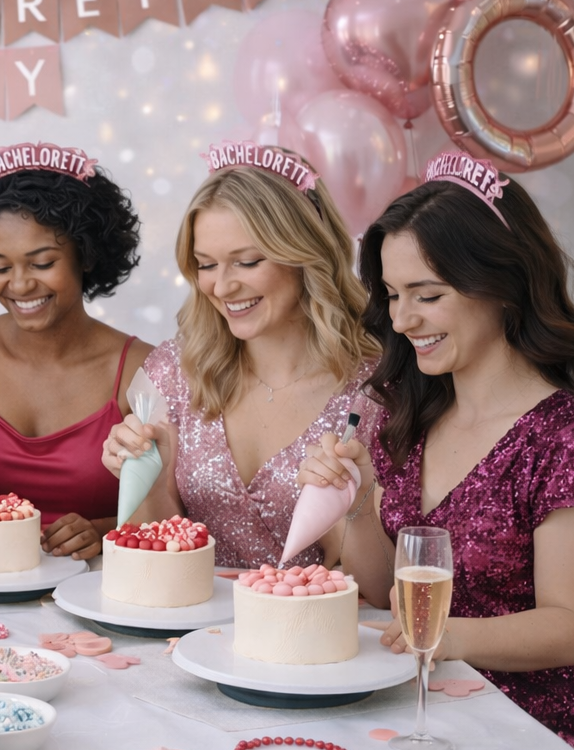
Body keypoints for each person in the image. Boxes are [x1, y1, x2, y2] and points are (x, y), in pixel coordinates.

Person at [299, 152, 574, 750]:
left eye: (427, 295)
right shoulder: (411, 416)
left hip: (541, 745)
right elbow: (388, 592)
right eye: (391, 296)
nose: (403, 320)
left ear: (503, 283)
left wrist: (436, 635)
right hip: (418, 721)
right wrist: (358, 505)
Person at [102, 143, 379, 566]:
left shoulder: (375, 388)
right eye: (206, 265)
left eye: (246, 262)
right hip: (188, 629)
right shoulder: (174, 372)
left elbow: (375, 580)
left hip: (317, 625)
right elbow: (154, 553)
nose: (222, 287)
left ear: (307, 255)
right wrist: (144, 480)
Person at [0, 144, 148, 559]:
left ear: (86, 255)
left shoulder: (139, 369)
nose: (18, 286)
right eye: (1, 267)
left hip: (100, 594)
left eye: (41, 264)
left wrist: (105, 535)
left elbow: (172, 515)